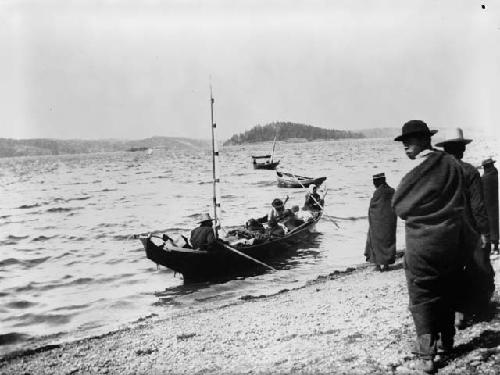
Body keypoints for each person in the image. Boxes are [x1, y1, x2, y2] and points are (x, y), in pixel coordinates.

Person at [392, 120, 472, 373]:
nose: (405, 146)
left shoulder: (418, 170)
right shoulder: (452, 164)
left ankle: (426, 355)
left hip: (423, 243)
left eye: (409, 141)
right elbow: (462, 198)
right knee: (447, 286)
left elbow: (400, 206)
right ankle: (447, 341)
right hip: (450, 239)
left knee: (421, 292)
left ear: (423, 141)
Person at [436, 129, 494, 326]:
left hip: (445, 231)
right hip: (469, 230)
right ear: (462, 149)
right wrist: (485, 232)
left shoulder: (438, 174)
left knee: (453, 272)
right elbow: (478, 206)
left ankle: (458, 312)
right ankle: (476, 311)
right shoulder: (470, 172)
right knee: (478, 269)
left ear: (445, 150)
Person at [364, 173, 397, 272]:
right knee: (388, 241)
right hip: (390, 222)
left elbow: (373, 207)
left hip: (377, 222)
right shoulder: (392, 191)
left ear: (376, 182)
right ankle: (386, 265)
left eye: (374, 183)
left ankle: (378, 265)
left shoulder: (378, 193)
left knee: (375, 240)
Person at [481, 158, 499, 255]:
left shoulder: (485, 177)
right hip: (494, 204)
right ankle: (496, 247)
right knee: (495, 225)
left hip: (487, 205)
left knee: (489, 225)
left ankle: (492, 248)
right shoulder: (495, 173)